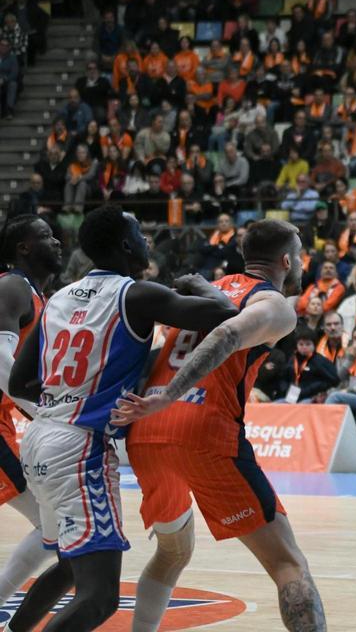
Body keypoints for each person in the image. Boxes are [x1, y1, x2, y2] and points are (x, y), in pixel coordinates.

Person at [6, 206, 239, 632]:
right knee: (100, 598)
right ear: (126, 245)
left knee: (68, 566)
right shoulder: (138, 295)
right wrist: (201, 285)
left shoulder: (59, 298)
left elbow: (20, 382)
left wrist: (69, 395)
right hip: (78, 449)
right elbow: (227, 315)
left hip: (39, 439)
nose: (147, 240)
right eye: (139, 232)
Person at [108, 218, 327, 632]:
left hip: (146, 434)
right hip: (203, 429)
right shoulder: (275, 304)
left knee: (173, 553)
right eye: (300, 256)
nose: (302, 263)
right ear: (286, 261)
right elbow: (228, 334)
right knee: (288, 563)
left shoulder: (206, 289)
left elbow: (153, 348)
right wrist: (173, 393)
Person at [0, 216, 63, 609]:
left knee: (50, 523)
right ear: (23, 247)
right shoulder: (12, 287)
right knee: (49, 522)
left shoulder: (38, 296)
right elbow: (0, 362)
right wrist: (45, 412)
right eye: (45, 236)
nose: (56, 242)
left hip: (4, 420)